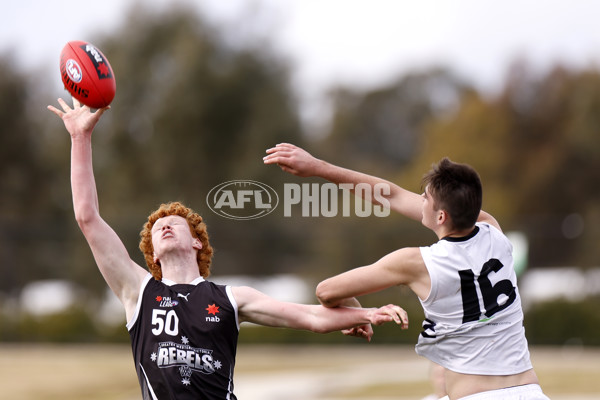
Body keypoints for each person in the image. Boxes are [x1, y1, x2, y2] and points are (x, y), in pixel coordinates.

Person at [47, 98, 409, 400]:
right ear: (153, 255)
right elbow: (87, 218)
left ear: (196, 242)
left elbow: (312, 317)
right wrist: (80, 137)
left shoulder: (231, 299)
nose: (165, 225)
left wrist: (370, 313)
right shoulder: (138, 292)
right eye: (157, 229)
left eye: (175, 223)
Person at [263, 143, 549, 400]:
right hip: (532, 391)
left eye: (424, 197)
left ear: (441, 216)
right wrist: (318, 167)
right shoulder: (494, 232)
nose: (418, 200)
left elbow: (325, 292)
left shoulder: (415, 263)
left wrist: (358, 312)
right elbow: (393, 194)